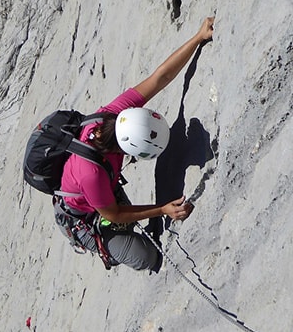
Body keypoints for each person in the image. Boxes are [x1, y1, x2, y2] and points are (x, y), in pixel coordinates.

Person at [54, 16, 215, 271]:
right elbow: (113, 214)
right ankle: (105, 247)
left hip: (101, 188)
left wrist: (198, 37)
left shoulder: (115, 114)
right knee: (148, 259)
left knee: (125, 217)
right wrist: (162, 210)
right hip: (83, 216)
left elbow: (160, 78)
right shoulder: (91, 174)